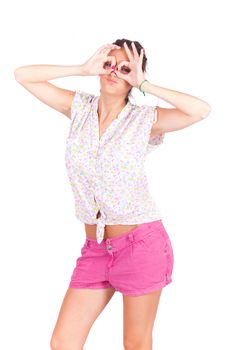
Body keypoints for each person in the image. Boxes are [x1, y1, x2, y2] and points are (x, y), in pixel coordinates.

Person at [14, 38, 211, 350]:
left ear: (135, 76)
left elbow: (200, 110)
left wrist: (146, 83)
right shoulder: (79, 108)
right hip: (95, 248)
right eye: (109, 64)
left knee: (134, 343)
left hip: (140, 245)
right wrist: (80, 68)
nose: (114, 72)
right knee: (63, 342)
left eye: (125, 68)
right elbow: (23, 74)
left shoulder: (145, 120)